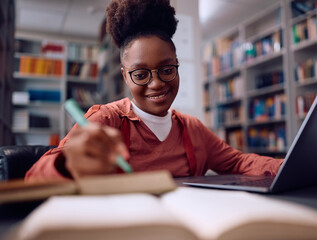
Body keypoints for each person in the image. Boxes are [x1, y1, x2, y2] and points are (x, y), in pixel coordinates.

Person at [25, 0, 283, 182]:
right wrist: (68, 164)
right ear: (126, 76)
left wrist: (288, 166)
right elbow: (34, 178)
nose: (157, 83)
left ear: (177, 66)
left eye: (167, 69)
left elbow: (239, 163)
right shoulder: (106, 120)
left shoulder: (192, 129)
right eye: (140, 74)